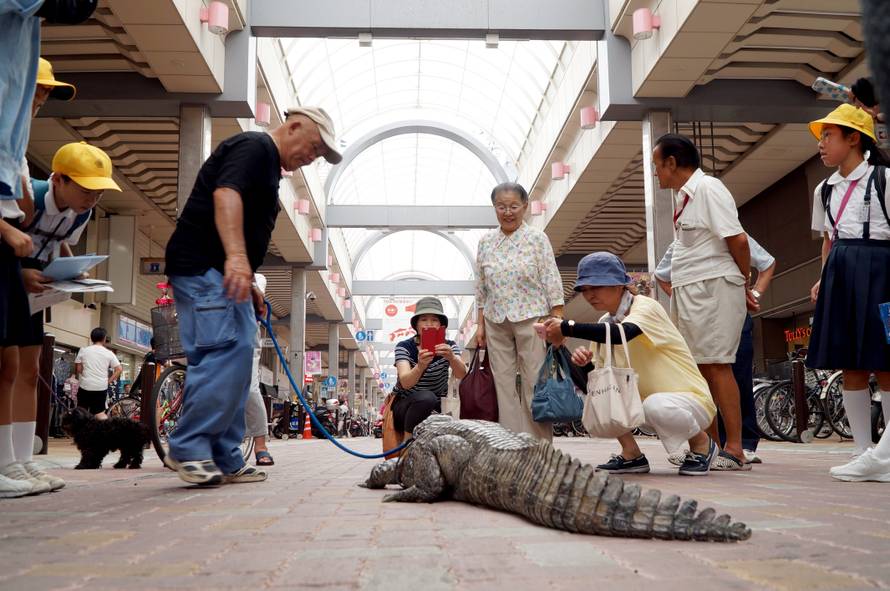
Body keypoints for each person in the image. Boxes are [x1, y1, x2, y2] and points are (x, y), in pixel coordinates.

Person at [162, 106, 342, 486]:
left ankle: (225, 455)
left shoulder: (269, 166)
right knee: (223, 355)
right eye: (313, 147)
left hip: (226, 275)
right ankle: (190, 447)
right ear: (294, 126)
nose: (311, 159)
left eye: (318, 156)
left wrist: (253, 287)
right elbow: (226, 193)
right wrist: (237, 257)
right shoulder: (256, 147)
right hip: (206, 267)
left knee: (240, 360)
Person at [543, 252, 718, 475]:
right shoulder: (605, 323)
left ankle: (702, 444)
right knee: (605, 394)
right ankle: (631, 454)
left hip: (689, 401)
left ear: (619, 285)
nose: (589, 295)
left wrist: (567, 326)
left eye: (596, 287)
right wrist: (577, 359)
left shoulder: (645, 307)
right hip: (641, 407)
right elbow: (595, 383)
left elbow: (623, 333)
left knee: (656, 405)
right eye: (584, 289)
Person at [0, 58, 80, 498]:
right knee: (7, 364)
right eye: (38, 87)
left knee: (19, 366)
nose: (42, 98)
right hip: (9, 258)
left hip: (16, 268)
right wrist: (11, 232)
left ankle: (16, 461)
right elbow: (25, 217)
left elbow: (24, 210)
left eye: (47, 92)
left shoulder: (14, 134)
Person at [651, 134, 754, 471]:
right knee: (697, 370)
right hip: (691, 289)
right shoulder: (685, 196)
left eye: (657, 165)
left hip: (714, 287)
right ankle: (710, 446)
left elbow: (737, 239)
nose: (655, 173)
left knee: (717, 364)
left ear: (671, 162)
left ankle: (735, 449)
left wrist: (742, 280)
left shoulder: (709, 188)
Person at [805, 104, 890, 482]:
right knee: (850, 363)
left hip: (884, 270)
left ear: (854, 138)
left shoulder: (885, 179)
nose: (821, 145)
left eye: (828, 136)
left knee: (886, 363)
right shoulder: (824, 190)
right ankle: (862, 451)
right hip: (841, 273)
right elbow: (829, 239)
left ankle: (885, 457)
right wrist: (824, 278)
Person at [656, 235, 776, 465]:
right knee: (704, 377)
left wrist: (754, 293)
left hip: (731, 312)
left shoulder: (730, 231)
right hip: (701, 316)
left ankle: (743, 444)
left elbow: (767, 262)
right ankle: (711, 446)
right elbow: (661, 276)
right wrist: (683, 298)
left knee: (736, 375)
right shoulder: (680, 241)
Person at [475, 182, 565, 441]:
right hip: (495, 318)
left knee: (534, 380)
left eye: (514, 206)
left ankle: (539, 444)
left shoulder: (537, 238)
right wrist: (479, 324)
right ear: (494, 208)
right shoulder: (486, 242)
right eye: (501, 207)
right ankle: (510, 443)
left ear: (525, 206)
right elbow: (480, 286)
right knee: (502, 382)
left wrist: (557, 315)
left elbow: (550, 275)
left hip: (533, 316)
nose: (508, 212)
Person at [391, 297, 466, 441]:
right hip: (407, 407)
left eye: (434, 320)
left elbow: (461, 374)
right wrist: (420, 366)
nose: (429, 324)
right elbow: (405, 382)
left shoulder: (449, 346)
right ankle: (407, 447)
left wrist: (452, 358)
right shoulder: (404, 346)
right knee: (426, 398)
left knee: (434, 402)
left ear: (441, 325)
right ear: (416, 325)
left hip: (438, 405)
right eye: (424, 319)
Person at [245, 273, 273, 466]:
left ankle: (261, 446)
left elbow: (259, 303)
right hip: (213, 329)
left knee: (249, 388)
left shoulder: (257, 277)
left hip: (244, 331)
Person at [74, 328, 122, 419]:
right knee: (99, 413)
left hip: (85, 385)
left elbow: (78, 368)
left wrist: (85, 374)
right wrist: (108, 381)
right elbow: (119, 369)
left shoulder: (83, 350)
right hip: (100, 387)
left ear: (91, 338)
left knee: (81, 413)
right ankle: (105, 430)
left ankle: (79, 432)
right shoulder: (109, 353)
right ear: (104, 339)